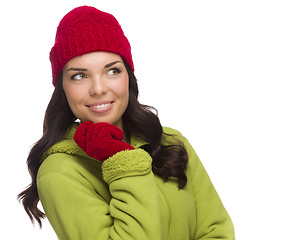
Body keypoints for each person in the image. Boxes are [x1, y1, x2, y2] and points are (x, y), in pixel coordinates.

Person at [18, 5, 235, 240]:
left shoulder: (171, 142)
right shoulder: (60, 172)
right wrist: (122, 161)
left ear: (128, 77)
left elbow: (217, 230)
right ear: (63, 88)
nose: (99, 89)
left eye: (112, 71)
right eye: (79, 75)